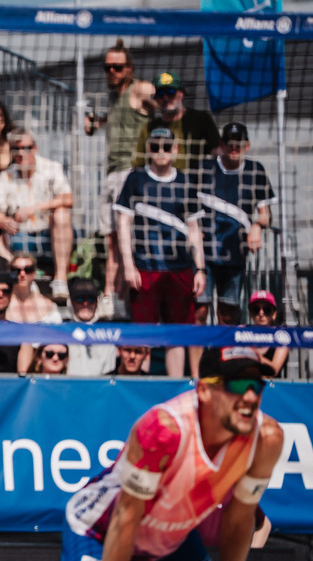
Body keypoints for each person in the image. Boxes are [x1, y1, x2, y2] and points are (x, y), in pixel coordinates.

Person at [61, 346, 284, 561]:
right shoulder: (164, 429)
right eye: (237, 384)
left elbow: (240, 519)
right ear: (204, 390)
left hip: (170, 544)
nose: (250, 397)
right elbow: (127, 516)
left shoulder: (267, 437)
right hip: (101, 534)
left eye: (256, 385)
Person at [116, 127, 205, 378]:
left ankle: (176, 385)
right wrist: (128, 265)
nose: (161, 151)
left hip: (180, 269)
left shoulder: (185, 182)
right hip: (145, 267)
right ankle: (140, 387)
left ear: (175, 149)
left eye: (166, 146)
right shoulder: (136, 179)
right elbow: (123, 223)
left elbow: (194, 229)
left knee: (176, 335)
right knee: (143, 334)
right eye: (155, 146)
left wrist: (200, 269)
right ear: (148, 149)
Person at [93, 39, 154, 321]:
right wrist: (98, 122)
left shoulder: (138, 89)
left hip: (130, 172)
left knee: (126, 241)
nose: (112, 72)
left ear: (129, 68)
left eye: (117, 67)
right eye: (107, 67)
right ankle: (111, 298)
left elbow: (159, 98)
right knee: (112, 243)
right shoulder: (114, 97)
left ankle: (120, 299)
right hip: (111, 174)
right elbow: (118, 118)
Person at [195, 122, 275, 328]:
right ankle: (197, 352)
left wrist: (257, 226)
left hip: (234, 254)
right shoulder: (203, 169)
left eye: (238, 143)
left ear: (246, 145)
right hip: (203, 255)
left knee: (228, 314)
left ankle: (227, 350)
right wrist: (193, 230)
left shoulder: (255, 171)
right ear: (222, 145)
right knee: (199, 311)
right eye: (229, 143)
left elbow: (266, 215)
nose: (233, 148)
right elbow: (186, 206)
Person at [0, 129, 74, 301]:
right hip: (20, 236)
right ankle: (15, 286)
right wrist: (5, 221)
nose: (21, 153)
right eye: (16, 149)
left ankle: (61, 279)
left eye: (25, 148)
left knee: (62, 214)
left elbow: (68, 198)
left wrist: (35, 209)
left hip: (50, 235)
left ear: (35, 148)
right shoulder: (5, 177)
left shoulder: (51, 168)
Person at [134, 71, 221, 180]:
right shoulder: (149, 127)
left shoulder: (201, 119)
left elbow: (218, 152)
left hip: (196, 183)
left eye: (171, 92)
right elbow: (139, 164)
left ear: (181, 94)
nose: (165, 98)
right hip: (161, 184)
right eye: (160, 94)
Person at [65, 277, 117, 377]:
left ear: (97, 302)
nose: (86, 303)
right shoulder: (61, 331)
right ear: (71, 302)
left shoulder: (107, 335)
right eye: (80, 299)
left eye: (91, 299)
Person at [247, 290, 288, 376]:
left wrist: (254, 354)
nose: (261, 313)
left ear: (274, 314)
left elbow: (274, 370)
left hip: (272, 384)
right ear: (250, 314)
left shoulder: (281, 337)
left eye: (267, 310)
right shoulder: (242, 334)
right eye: (256, 309)